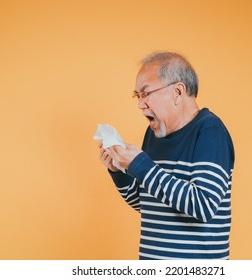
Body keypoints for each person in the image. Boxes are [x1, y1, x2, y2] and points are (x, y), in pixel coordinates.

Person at [98, 51, 235, 260]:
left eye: (146, 93)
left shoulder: (210, 131)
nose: (140, 104)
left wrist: (140, 165)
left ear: (177, 92)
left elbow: (203, 206)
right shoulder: (154, 133)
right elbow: (147, 204)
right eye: (137, 96)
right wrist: (119, 171)